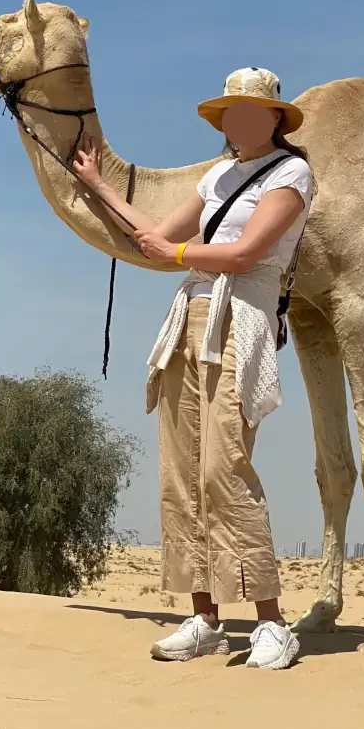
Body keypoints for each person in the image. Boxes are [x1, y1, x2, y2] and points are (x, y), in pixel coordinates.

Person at [72, 68, 312, 670]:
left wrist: (178, 254)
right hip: (190, 318)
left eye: (249, 112)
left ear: (274, 119)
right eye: (229, 113)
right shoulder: (216, 176)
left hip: (242, 318)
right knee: (179, 471)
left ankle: (272, 622)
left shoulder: (291, 173)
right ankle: (204, 616)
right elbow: (153, 234)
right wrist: (99, 186)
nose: (237, 122)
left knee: (224, 468)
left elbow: (246, 252)